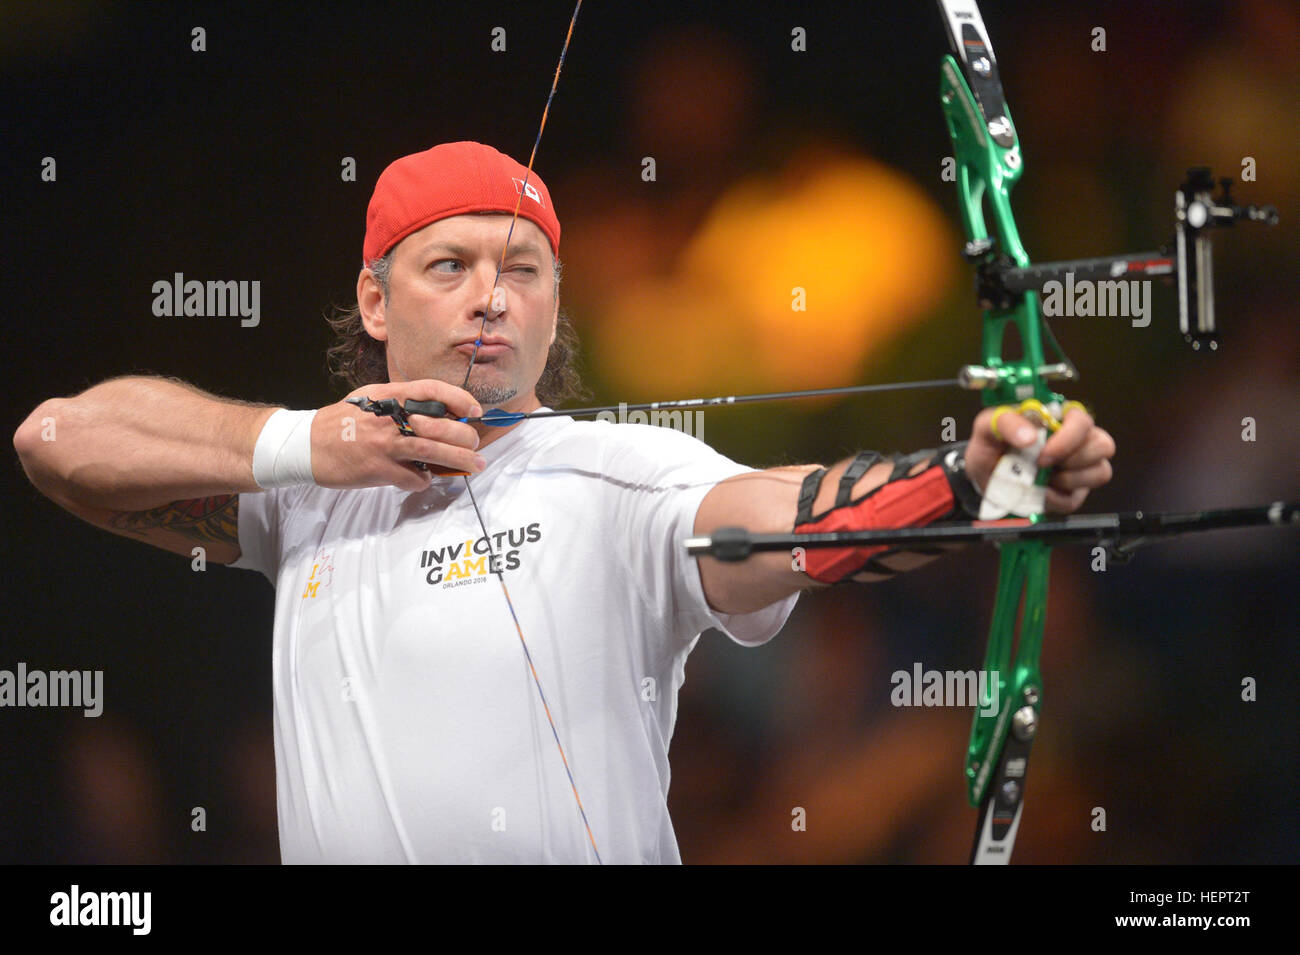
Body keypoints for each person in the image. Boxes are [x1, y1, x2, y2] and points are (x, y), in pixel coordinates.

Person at [12, 141, 1115, 864]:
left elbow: (784, 516)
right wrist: (310, 444)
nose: (492, 294)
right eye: (448, 265)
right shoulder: (305, 501)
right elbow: (56, 440)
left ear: (554, 306)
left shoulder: (619, 478)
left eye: (525, 268)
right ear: (373, 297)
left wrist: (973, 479)